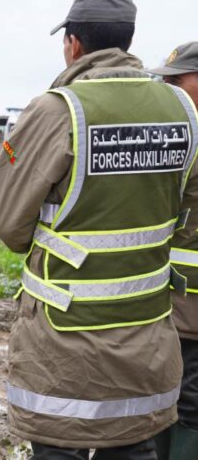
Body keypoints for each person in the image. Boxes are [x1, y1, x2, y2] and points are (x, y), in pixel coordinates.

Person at [0, 0, 198, 458]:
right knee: (137, 447)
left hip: (64, 346)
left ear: (74, 44)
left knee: (60, 449)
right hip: (147, 341)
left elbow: (5, 220)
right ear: (128, 40)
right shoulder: (183, 111)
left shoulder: (57, 109)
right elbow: (187, 221)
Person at [148, 41, 198, 459]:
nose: (169, 88)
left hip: (189, 309)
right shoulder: (180, 131)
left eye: (177, 80)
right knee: (166, 401)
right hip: (173, 303)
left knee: (187, 404)